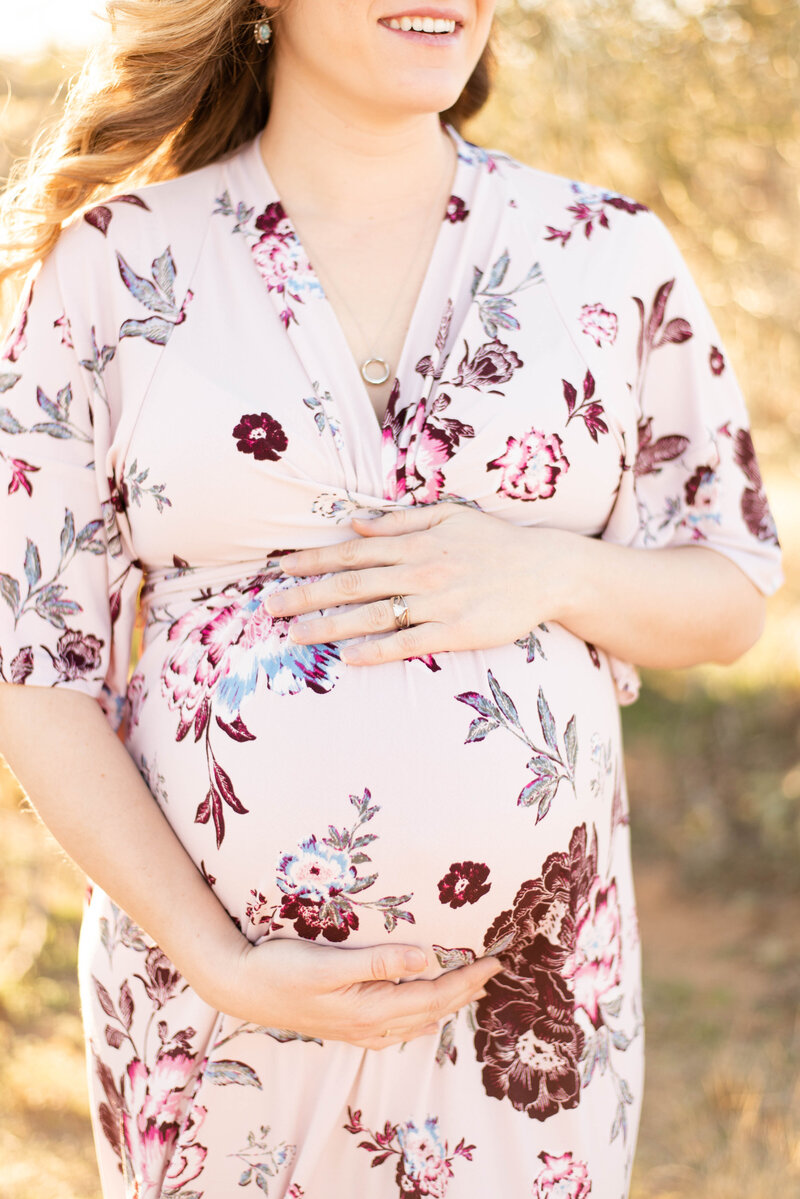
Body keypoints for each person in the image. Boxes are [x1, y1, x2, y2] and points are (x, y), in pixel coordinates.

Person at [0, 1, 783, 1196]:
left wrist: (553, 570)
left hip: (530, 1021)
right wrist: (220, 961)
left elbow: (728, 588)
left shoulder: (603, 252)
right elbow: (32, 666)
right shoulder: (116, 262)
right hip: (215, 1018)